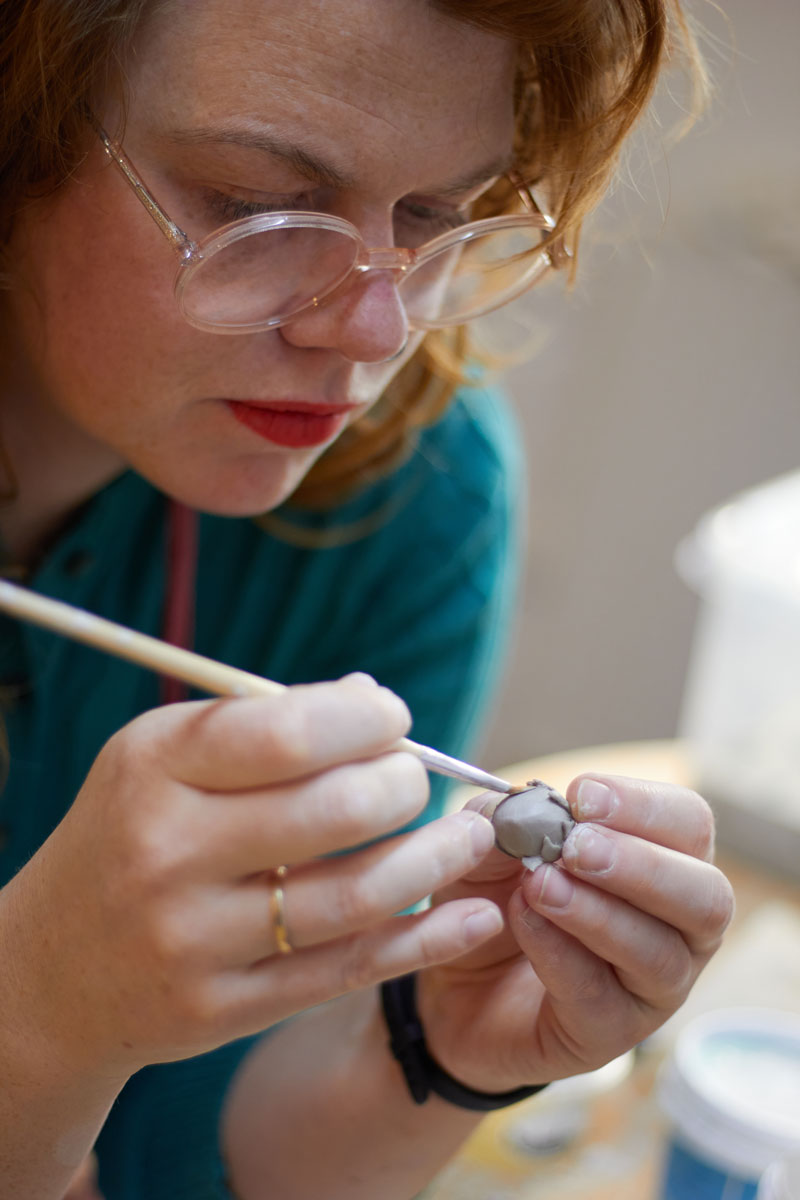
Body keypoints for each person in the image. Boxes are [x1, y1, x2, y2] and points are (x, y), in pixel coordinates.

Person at [0, 1, 734, 1198]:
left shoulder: (408, 486)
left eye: (437, 213)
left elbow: (201, 1160)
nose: (372, 329)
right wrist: (33, 1017)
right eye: (250, 204)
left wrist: (431, 1057)